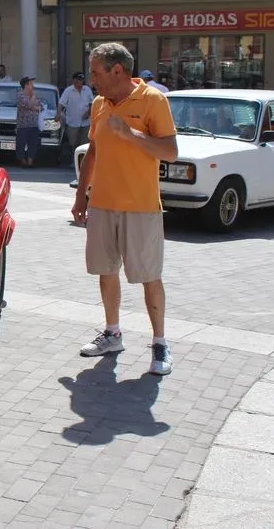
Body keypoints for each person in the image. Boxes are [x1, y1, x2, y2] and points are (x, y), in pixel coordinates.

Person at [71, 42, 178, 376]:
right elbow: (93, 152)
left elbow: (170, 151)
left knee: (149, 277)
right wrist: (80, 197)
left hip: (141, 207)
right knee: (106, 271)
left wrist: (131, 133)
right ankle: (112, 333)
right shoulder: (100, 104)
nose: (91, 80)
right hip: (102, 205)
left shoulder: (153, 101)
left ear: (117, 70)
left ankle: (160, 343)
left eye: (96, 72)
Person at [58, 71, 95, 157]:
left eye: (82, 80)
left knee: (85, 142)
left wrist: (88, 112)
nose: (81, 82)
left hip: (86, 122)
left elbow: (92, 103)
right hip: (72, 122)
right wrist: (58, 115)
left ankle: (83, 161)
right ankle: (74, 160)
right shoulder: (68, 91)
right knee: (73, 142)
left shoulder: (87, 90)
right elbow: (61, 104)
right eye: (79, 80)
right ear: (74, 81)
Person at [15, 76, 42, 167]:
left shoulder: (34, 95)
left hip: (34, 124)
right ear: (26, 85)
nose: (33, 85)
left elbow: (39, 107)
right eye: (31, 83)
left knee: (33, 143)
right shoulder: (20, 95)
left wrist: (33, 106)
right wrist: (33, 98)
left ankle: (30, 162)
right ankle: (23, 161)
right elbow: (29, 105)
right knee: (21, 143)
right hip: (23, 124)